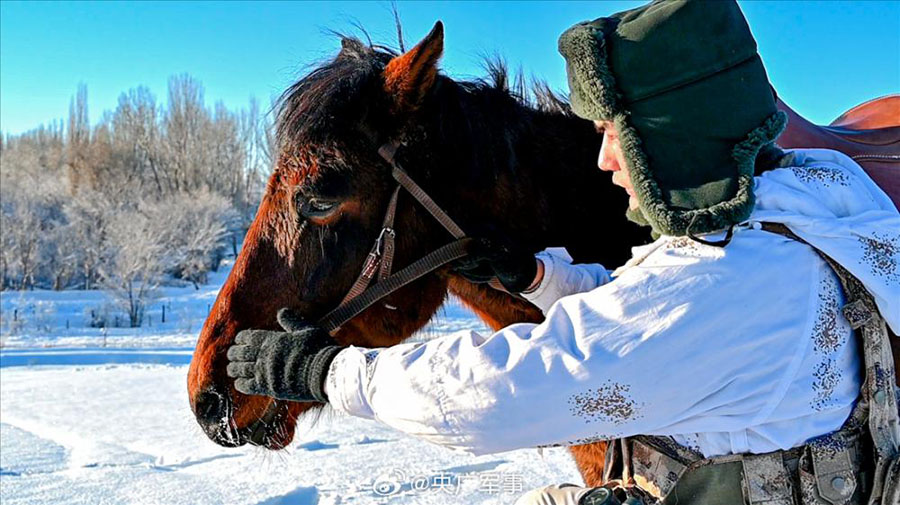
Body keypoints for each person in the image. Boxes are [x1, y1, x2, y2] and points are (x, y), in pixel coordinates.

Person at [225, 1, 899, 503]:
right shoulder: (811, 203)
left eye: (616, 132)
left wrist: (332, 375)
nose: (603, 157)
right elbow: (643, 308)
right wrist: (537, 278)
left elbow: (503, 394)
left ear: (677, 133)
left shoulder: (726, 283)